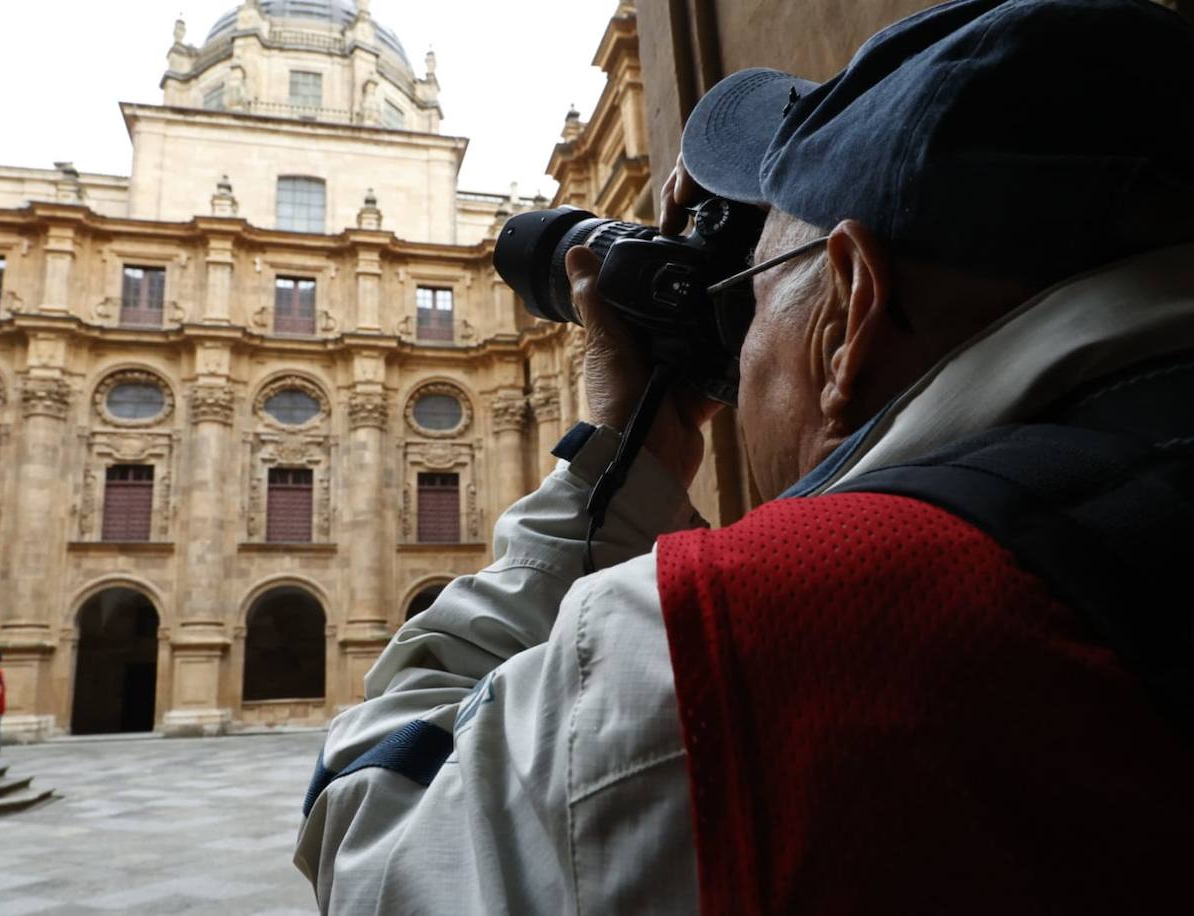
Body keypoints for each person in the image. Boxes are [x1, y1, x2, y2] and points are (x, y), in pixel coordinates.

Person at [296, 1, 1194, 913]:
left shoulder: (747, 635)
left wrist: (608, 476)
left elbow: (376, 841)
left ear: (848, 311)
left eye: (756, 291)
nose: (737, 344)